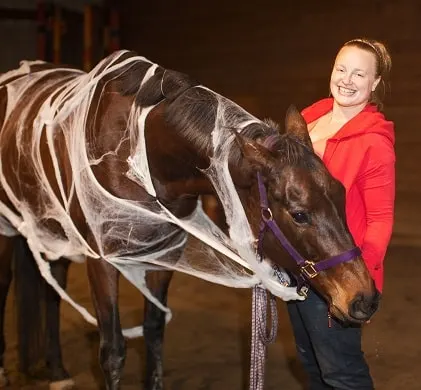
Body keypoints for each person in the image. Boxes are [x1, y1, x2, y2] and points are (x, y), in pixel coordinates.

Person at [287, 38, 395, 390]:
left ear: (375, 83)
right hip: (299, 268)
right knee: (311, 364)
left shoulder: (373, 142)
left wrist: (359, 277)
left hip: (337, 272)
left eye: (359, 74)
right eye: (341, 69)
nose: (347, 80)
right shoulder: (306, 120)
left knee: (341, 373)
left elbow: (380, 218)